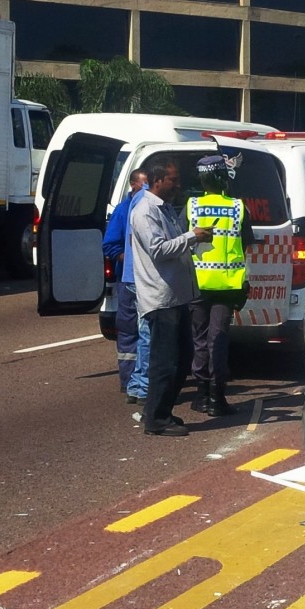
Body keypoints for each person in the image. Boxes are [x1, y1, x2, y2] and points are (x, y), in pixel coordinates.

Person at [128, 161, 213, 437]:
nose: (177, 186)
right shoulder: (144, 211)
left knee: (182, 357)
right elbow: (159, 250)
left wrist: (194, 240)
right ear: (157, 181)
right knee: (165, 362)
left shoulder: (164, 209)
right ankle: (155, 419)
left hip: (177, 296)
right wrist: (191, 236)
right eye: (173, 181)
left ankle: (162, 411)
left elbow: (173, 244)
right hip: (160, 298)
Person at [187, 153, 254, 417]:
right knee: (218, 339)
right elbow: (247, 241)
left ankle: (202, 395)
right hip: (227, 285)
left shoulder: (191, 206)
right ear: (223, 178)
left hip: (197, 284)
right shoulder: (238, 207)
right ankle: (217, 397)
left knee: (200, 339)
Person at [102, 169, 148, 402]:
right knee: (131, 333)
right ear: (133, 185)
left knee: (146, 334)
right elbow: (110, 245)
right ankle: (129, 382)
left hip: (145, 279)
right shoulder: (123, 210)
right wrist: (129, 258)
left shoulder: (151, 208)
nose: (147, 190)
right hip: (128, 280)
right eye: (144, 186)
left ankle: (139, 383)